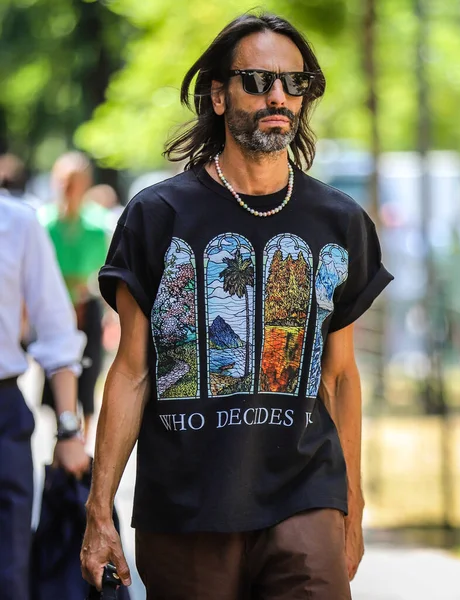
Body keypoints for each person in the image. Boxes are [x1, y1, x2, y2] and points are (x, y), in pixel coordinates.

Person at [81, 12, 393, 600]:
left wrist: (352, 501)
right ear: (219, 96)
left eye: (293, 84)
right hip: (186, 506)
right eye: (257, 80)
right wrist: (99, 512)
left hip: (306, 494)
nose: (278, 95)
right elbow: (130, 370)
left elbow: (342, 375)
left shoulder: (340, 221)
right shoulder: (156, 217)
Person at [0, 193, 90, 600]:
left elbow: (56, 330)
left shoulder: (17, 222)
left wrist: (69, 431)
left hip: (3, 417)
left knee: (9, 572)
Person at [38, 152, 110, 441]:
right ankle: (63, 435)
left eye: (75, 183)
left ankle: (84, 441)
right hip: (54, 311)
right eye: (65, 182)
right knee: (56, 373)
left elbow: (98, 272)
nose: (69, 189)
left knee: (88, 374)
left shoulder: (96, 226)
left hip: (84, 308)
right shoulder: (43, 224)